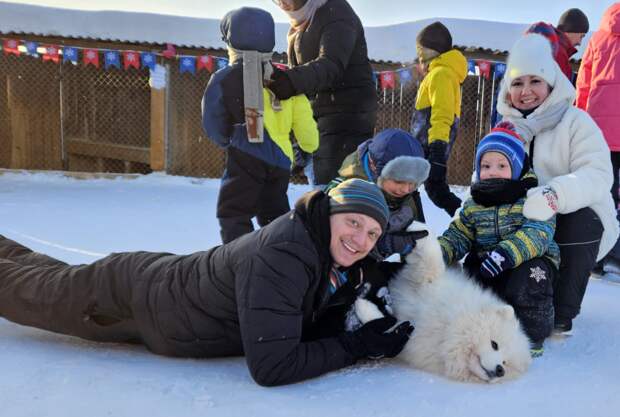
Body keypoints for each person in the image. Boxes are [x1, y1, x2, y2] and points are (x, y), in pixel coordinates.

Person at [0, 178, 417, 387]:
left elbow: (319, 299)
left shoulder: (319, 246)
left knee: (38, 273)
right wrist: (357, 346)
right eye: (354, 223)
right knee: (26, 292)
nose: (360, 240)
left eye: (372, 234)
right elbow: (272, 366)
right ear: (329, 212)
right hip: (131, 299)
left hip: (156, 284)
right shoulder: (285, 255)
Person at [496, 34, 619, 335]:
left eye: (535, 81)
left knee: (583, 220)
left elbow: (599, 174)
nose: (525, 91)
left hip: (571, 221)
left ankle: (562, 311)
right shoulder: (505, 130)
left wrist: (554, 196)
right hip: (524, 223)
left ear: (551, 83)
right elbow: (485, 179)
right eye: (517, 82)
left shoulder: (576, 121)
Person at [438, 124, 559, 356]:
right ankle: (487, 334)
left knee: (530, 280)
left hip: (527, 265)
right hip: (488, 266)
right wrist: (439, 253)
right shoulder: (474, 204)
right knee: (470, 285)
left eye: (501, 165)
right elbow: (459, 234)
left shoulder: (533, 198)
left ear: (515, 168)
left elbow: (539, 232)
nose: (492, 171)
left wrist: (507, 253)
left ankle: (532, 337)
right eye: (486, 166)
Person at [202, 7, 319, 243]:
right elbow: (306, 126)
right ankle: (284, 252)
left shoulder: (224, 78)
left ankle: (238, 258)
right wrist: (308, 145)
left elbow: (213, 119)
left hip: (245, 154)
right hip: (281, 160)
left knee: (234, 212)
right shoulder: (285, 79)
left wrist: (226, 139)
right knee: (274, 213)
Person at [268, 0, 378, 188]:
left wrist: (290, 81)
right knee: (321, 189)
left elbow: (331, 64)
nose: (281, 3)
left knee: (333, 194)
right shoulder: (303, 22)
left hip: (345, 118)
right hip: (319, 119)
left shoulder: (336, 13)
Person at [325, 128, 430, 260]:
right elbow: (331, 245)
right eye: (399, 181)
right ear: (375, 168)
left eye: (413, 183)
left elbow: (416, 241)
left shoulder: (407, 197)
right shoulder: (346, 193)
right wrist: (384, 244)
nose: (405, 189)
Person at [575, 3, 620, 282]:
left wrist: (580, 124)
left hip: (600, 132)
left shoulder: (598, 37)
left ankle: (598, 257)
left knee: (602, 194)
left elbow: (583, 83)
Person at [410, 21, 467, 217]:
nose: (419, 56)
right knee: (434, 190)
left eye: (420, 50)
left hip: (430, 145)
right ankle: (467, 222)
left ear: (429, 50)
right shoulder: (441, 72)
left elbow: (442, 114)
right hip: (428, 144)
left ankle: (469, 222)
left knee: (410, 188)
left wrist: (437, 151)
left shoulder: (441, 74)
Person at [526, 8, 590, 81]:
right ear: (573, 30)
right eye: (581, 36)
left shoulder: (551, 48)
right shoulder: (558, 52)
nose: (579, 43)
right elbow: (560, 86)